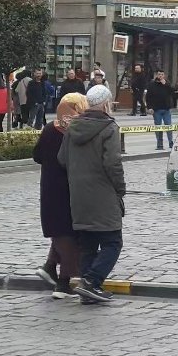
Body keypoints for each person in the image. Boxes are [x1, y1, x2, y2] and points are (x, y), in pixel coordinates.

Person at [58, 85, 125, 304]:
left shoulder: (73, 127)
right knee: (112, 241)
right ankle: (92, 282)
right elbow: (113, 163)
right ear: (106, 104)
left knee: (88, 243)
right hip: (103, 194)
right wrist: (120, 188)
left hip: (78, 195)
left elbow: (62, 159)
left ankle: (88, 293)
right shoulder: (109, 128)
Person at [33, 92, 90, 300]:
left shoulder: (50, 128)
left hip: (49, 188)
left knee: (60, 232)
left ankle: (49, 266)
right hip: (69, 189)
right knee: (68, 236)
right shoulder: (74, 132)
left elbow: (37, 155)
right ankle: (63, 284)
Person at [146, 70, 175, 150]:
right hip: (156, 109)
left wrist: (165, 84)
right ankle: (159, 144)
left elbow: (172, 92)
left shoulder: (167, 83)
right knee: (158, 127)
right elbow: (148, 97)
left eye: (162, 74)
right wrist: (149, 107)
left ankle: (171, 142)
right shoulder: (152, 84)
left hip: (166, 109)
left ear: (164, 75)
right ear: (156, 75)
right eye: (159, 74)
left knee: (168, 126)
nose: (160, 76)